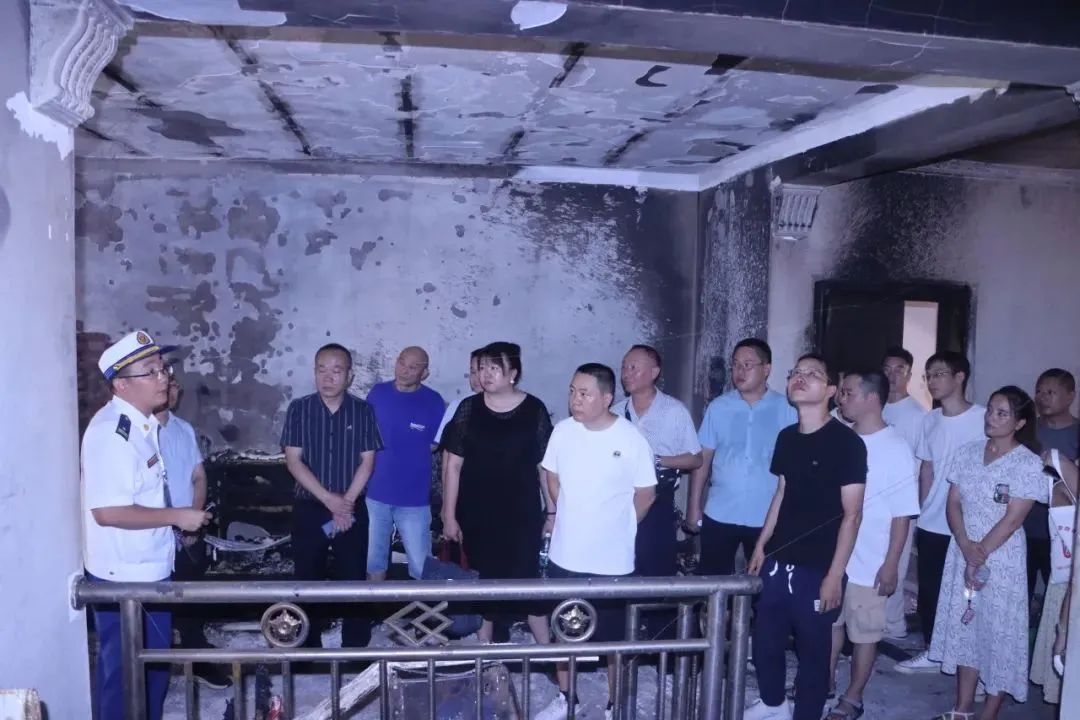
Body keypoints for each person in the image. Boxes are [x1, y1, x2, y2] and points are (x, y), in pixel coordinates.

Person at [83, 330, 210, 720]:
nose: (163, 378)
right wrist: (178, 516)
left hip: (149, 571)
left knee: (152, 673)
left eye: (162, 368)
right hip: (124, 579)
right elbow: (108, 512)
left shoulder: (143, 425)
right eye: (150, 371)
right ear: (121, 385)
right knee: (125, 680)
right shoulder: (112, 434)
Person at [745, 354, 867, 720]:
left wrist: (834, 575)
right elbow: (781, 493)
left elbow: (852, 514)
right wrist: (761, 545)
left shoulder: (847, 443)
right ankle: (773, 705)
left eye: (813, 374)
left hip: (818, 566)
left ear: (831, 390)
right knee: (766, 641)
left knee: (813, 653)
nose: (801, 377)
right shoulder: (787, 437)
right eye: (796, 373)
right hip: (778, 558)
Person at [536, 363, 657, 720]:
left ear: (607, 398)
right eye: (572, 391)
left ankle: (616, 705)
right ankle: (566, 698)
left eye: (585, 393)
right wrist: (569, 511)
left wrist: (619, 525)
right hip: (566, 555)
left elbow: (646, 494)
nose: (575, 399)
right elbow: (551, 475)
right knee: (564, 632)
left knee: (615, 640)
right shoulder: (562, 431)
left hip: (612, 562)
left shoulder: (630, 438)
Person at [928, 387, 1048, 720]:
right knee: (967, 627)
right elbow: (953, 503)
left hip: (1002, 557)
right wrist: (965, 545)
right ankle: (963, 708)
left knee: (998, 632)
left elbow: (1013, 519)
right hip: (963, 548)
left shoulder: (1027, 463)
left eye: (1002, 413)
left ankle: (989, 713)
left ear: (1020, 422)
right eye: (990, 410)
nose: (991, 418)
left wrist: (979, 554)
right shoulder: (968, 452)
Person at [440, 341, 554, 644]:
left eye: (494, 367)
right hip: (477, 514)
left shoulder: (535, 410)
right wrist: (449, 515)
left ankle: (549, 655)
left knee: (528, 585)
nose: (486, 374)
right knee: (482, 584)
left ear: (513, 373)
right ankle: (485, 655)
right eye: (482, 368)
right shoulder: (469, 408)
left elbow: (545, 468)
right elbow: (452, 466)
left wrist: (552, 511)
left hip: (521, 515)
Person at [826, 371, 919, 719]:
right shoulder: (840, 438)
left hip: (871, 560)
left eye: (848, 392)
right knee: (830, 624)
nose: (841, 398)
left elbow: (902, 514)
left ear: (871, 398)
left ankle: (854, 696)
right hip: (835, 555)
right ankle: (824, 681)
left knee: (865, 633)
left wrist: (892, 563)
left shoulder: (896, 448)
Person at [281, 343, 383, 651]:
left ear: (349, 376)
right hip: (310, 508)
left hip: (351, 509)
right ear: (314, 373)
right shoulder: (299, 409)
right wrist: (330, 500)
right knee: (306, 578)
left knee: (353, 577)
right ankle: (307, 648)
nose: (328, 377)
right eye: (322, 370)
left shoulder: (363, 411)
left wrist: (346, 504)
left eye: (337, 371)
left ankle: (355, 648)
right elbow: (293, 461)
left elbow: (367, 462)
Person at [897, 351, 986, 674]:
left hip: (970, 522)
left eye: (939, 374)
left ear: (959, 377)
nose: (932, 381)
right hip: (933, 520)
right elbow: (927, 470)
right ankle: (934, 651)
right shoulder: (930, 420)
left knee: (968, 593)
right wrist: (921, 512)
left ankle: (970, 661)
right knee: (931, 591)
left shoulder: (984, 418)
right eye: (929, 375)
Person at [688, 338, 796, 576]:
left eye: (748, 365)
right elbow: (703, 460)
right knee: (713, 583)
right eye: (735, 364)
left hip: (767, 516)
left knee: (764, 584)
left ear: (766, 369)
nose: (739, 371)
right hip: (720, 511)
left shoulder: (787, 409)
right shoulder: (718, 408)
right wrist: (694, 507)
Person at [155, 364, 231, 689]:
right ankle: (156, 665)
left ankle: (196, 656)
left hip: (188, 531)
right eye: (166, 384)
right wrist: (175, 522)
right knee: (158, 605)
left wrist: (193, 518)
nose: (170, 390)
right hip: (156, 534)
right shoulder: (140, 431)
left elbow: (199, 476)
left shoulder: (183, 429)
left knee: (191, 597)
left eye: (175, 386)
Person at [615, 344, 701, 578]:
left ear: (654, 372)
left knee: (655, 569)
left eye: (633, 367)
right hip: (621, 500)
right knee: (620, 566)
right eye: (624, 367)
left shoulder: (674, 411)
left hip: (659, 501)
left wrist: (658, 460)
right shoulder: (616, 413)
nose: (626, 373)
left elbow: (695, 458)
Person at [365, 346, 446, 580]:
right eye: (401, 362)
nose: (404, 370)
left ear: (425, 373)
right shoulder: (377, 393)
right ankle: (375, 604)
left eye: (413, 367)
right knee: (373, 563)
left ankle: (424, 607)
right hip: (375, 495)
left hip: (414, 499)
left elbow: (433, 445)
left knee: (421, 568)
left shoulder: (433, 402)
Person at [880, 346, 928, 639]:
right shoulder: (874, 405)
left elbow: (923, 466)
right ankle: (872, 621)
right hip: (872, 500)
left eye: (899, 369)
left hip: (901, 502)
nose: (893, 375)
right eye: (887, 369)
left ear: (910, 374)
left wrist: (917, 507)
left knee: (895, 563)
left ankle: (894, 624)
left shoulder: (918, 415)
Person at [1030, 444, 1077, 704]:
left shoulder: (1062, 463)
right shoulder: (1062, 463)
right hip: (1065, 580)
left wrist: (1063, 631)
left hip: (1070, 584)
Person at [1027, 369, 1079, 604]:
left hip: (1064, 534)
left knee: (1060, 601)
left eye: (1050, 392)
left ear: (1070, 396)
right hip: (1022, 529)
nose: (1042, 398)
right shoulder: (1027, 430)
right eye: (1039, 392)